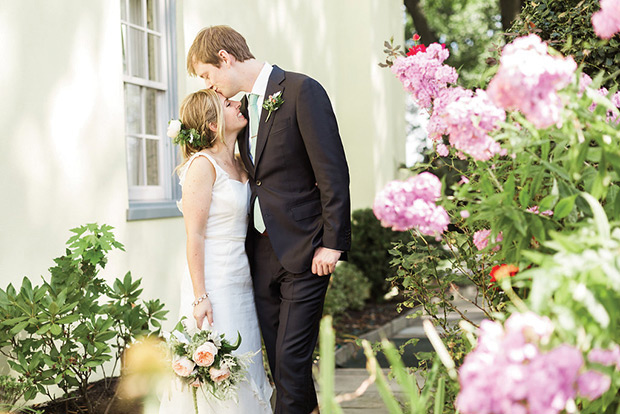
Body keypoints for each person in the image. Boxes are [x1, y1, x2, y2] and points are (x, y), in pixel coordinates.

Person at [187, 26, 351, 414]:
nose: (211, 87)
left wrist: (333, 241)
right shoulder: (240, 115)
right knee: (281, 366)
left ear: (224, 58)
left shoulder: (300, 91)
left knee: (292, 363)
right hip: (259, 256)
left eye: (207, 75)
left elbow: (332, 171)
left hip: (307, 251)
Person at [159, 89, 273, 413]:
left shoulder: (241, 163)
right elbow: (194, 235)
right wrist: (199, 296)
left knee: (246, 360)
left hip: (243, 279)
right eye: (228, 104)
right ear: (212, 125)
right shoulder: (201, 166)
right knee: (218, 373)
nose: (238, 105)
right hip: (214, 284)